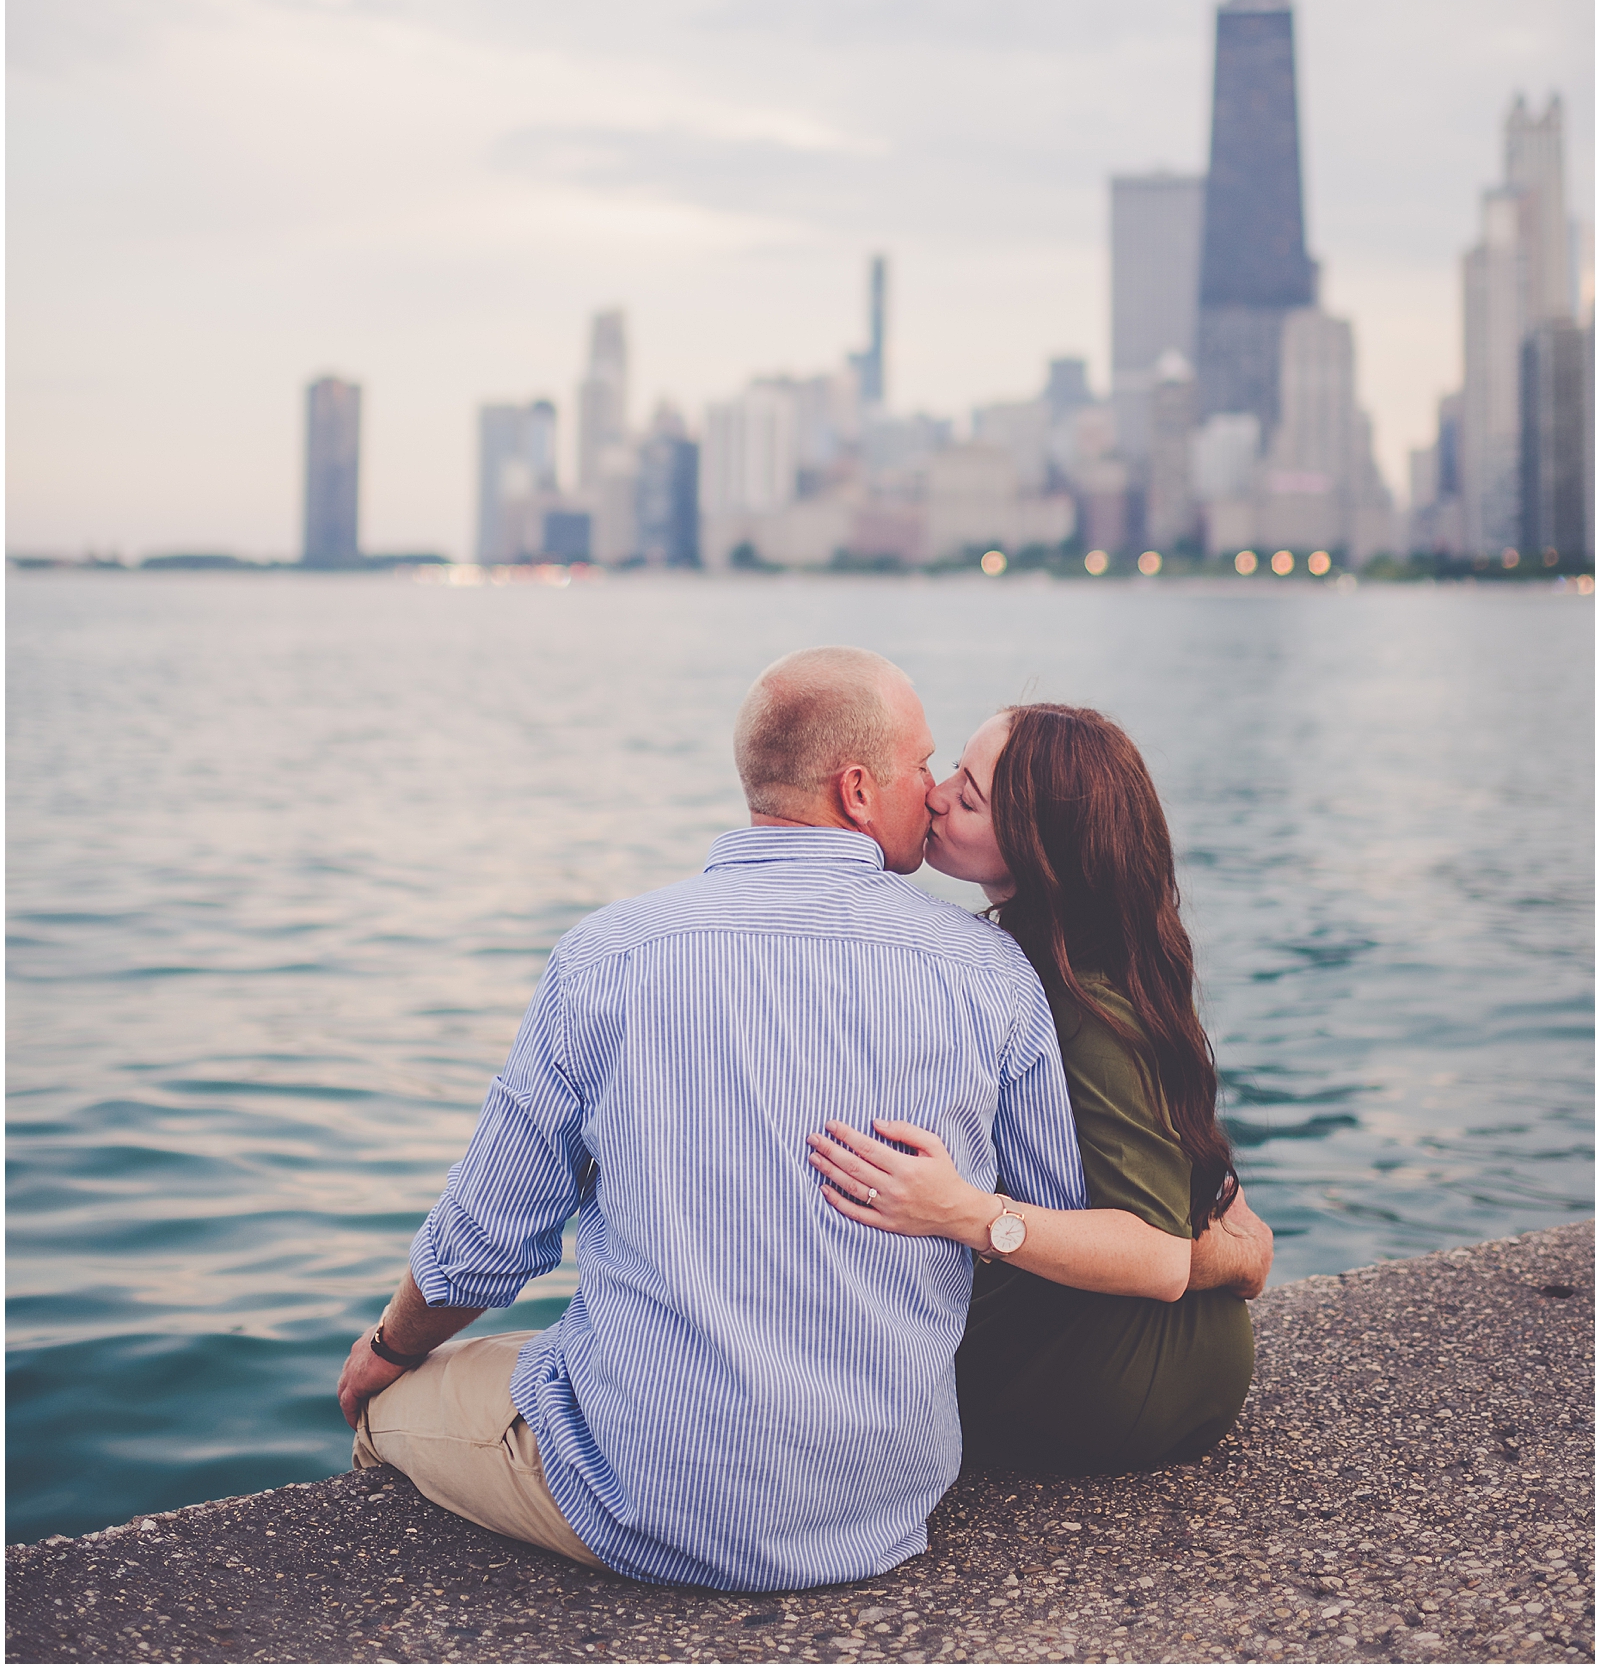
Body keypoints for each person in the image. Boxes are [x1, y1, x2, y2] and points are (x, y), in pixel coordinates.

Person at [336, 651, 1185, 1594]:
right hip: (884, 1500)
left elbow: (489, 1237)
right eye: (925, 765)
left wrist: (386, 1351)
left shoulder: (609, 955)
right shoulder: (989, 975)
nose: (935, 790)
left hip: (642, 1497)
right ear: (859, 791)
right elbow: (1048, 1210)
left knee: (398, 1403)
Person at [808, 702, 1273, 1477]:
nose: (937, 793)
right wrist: (1233, 1251)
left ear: (1040, 850)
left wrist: (962, 1211)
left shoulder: (1078, 1004)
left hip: (1099, 1387)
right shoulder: (1103, 968)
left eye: (972, 795)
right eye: (954, 767)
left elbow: (1157, 1255)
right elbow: (1214, 1207)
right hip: (1174, 1377)